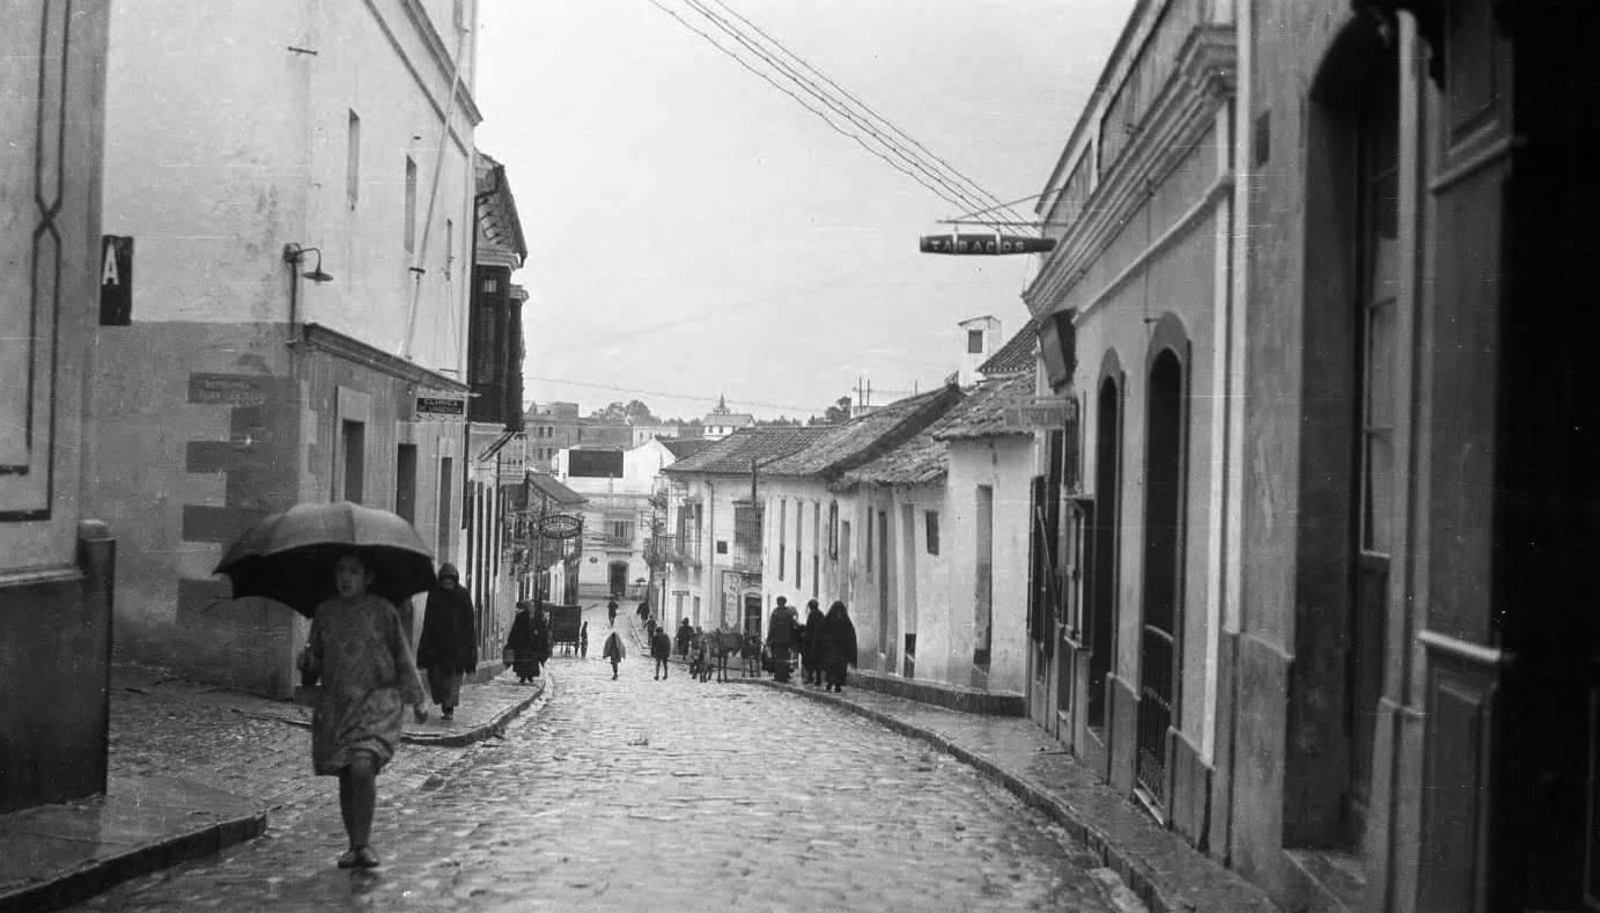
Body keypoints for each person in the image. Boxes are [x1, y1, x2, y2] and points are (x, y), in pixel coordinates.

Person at [297, 551, 427, 869]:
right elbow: (313, 668)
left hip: (376, 703)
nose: (346, 578)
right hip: (338, 706)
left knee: (361, 767)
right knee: (345, 773)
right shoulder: (325, 613)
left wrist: (417, 698)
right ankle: (353, 844)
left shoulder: (383, 611)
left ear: (367, 577)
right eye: (341, 570)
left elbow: (401, 655)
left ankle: (364, 842)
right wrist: (307, 662)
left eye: (354, 571)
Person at [415, 563, 476, 721]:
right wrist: (424, 649)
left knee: (452, 682)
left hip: (457, 648)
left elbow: (469, 623)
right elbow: (428, 621)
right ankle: (444, 702)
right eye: (445, 581)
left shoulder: (462, 595)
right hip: (437, 647)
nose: (447, 584)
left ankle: (449, 708)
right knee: (436, 680)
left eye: (450, 581)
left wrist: (470, 653)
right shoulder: (434, 594)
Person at [820, 600, 858, 693]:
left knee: (832, 667)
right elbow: (851, 636)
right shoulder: (845, 621)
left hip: (832, 649)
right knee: (838, 668)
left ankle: (831, 683)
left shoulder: (828, 620)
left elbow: (821, 633)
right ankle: (836, 684)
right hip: (840, 651)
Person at [767, 595, 800, 683]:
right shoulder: (788, 613)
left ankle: (778, 676)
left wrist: (769, 639)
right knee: (785, 657)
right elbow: (793, 626)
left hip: (777, 640)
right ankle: (784, 675)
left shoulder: (775, 613)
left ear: (778, 602)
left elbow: (772, 627)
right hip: (786, 640)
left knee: (778, 658)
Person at [504, 603, 540, 684]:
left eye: (533, 607)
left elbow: (540, 627)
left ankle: (530, 676)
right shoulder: (521, 616)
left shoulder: (536, 616)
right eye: (530, 606)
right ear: (527, 608)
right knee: (523, 661)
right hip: (523, 643)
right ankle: (523, 677)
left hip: (533, 643)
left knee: (532, 661)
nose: (531, 608)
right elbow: (516, 629)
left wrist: (537, 632)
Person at [801, 599, 826, 686]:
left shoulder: (812, 615)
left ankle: (810, 677)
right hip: (820, 642)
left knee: (810, 660)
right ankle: (818, 679)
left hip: (812, 642)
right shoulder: (821, 614)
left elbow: (809, 629)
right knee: (818, 661)